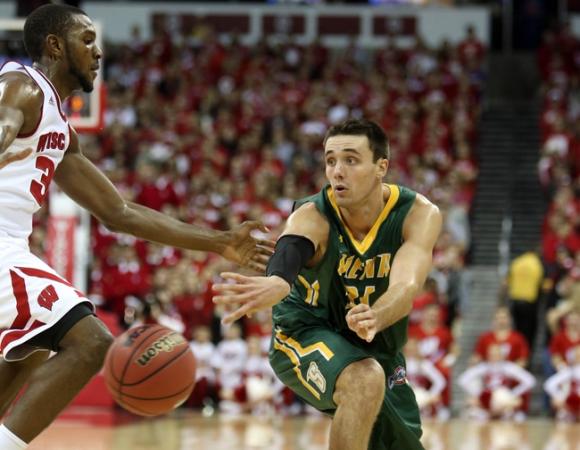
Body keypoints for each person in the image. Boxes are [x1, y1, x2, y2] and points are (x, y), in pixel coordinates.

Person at [0, 5, 272, 449]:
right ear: (54, 45)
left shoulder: (60, 128)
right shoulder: (21, 86)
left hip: (10, 245)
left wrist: (219, 242)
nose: (98, 51)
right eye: (85, 40)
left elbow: (119, 212)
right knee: (89, 343)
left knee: (33, 346)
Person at [214, 118, 442, 450]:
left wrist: (377, 316)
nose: (337, 171)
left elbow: (406, 286)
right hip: (305, 332)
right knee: (363, 379)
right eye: (330, 161)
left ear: (382, 167)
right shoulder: (313, 214)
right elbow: (292, 247)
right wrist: (278, 280)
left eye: (351, 160)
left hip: (377, 344)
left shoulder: (417, 214)